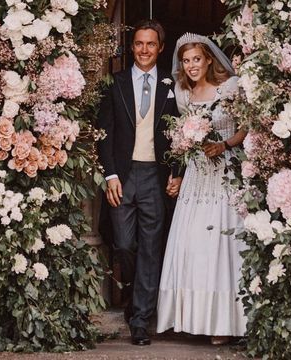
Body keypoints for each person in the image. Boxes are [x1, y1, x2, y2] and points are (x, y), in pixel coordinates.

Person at [157, 33, 248, 345]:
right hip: (197, 175)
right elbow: (182, 141)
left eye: (196, 59)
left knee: (222, 246)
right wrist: (178, 173)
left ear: (209, 59)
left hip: (226, 171)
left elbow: (245, 126)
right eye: (186, 61)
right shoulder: (183, 93)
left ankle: (224, 322)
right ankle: (191, 318)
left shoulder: (230, 87)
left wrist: (224, 144)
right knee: (193, 243)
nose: (191, 65)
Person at [97, 19, 182, 346]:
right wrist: (110, 174)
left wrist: (175, 171)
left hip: (154, 177)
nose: (144, 50)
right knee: (123, 245)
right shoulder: (114, 83)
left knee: (150, 248)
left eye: (150, 44)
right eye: (138, 44)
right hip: (123, 175)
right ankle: (134, 294)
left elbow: (180, 135)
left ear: (160, 48)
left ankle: (141, 320)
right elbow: (104, 134)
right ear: (131, 47)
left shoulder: (170, 86)